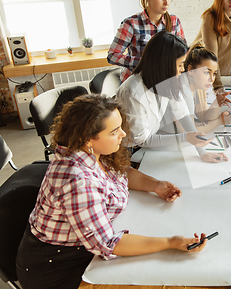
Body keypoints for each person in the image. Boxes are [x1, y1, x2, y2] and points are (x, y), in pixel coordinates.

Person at [16, 94, 209, 289]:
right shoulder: (77, 181)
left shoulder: (91, 152)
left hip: (83, 247)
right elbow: (108, 244)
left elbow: (120, 173)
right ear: (88, 138)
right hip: (58, 269)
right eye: (115, 131)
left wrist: (155, 185)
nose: (123, 135)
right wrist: (171, 242)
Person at [116, 31, 227, 163]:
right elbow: (142, 139)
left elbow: (183, 115)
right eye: (180, 65)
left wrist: (202, 152)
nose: (182, 69)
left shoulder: (168, 81)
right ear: (164, 63)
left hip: (149, 144)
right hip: (131, 151)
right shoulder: (133, 92)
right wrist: (186, 137)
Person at [108, 0, 186, 82]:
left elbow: (183, 54)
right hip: (135, 82)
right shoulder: (131, 23)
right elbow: (112, 55)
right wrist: (146, 62)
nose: (166, 3)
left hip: (163, 82)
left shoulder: (174, 21)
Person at [182, 44, 231, 133]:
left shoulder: (198, 86)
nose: (211, 79)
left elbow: (204, 117)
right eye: (207, 72)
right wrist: (220, 121)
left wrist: (216, 103)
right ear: (190, 70)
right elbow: (191, 131)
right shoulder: (184, 90)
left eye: (214, 73)